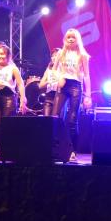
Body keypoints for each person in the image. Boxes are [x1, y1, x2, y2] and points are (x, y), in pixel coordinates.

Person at [52, 28, 92, 162]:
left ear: (77, 40)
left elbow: (86, 75)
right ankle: (56, 149)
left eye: (73, 37)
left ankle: (73, 150)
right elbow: (54, 70)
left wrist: (88, 95)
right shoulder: (61, 53)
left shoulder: (82, 55)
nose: (70, 39)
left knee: (72, 119)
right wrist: (59, 78)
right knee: (55, 116)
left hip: (75, 86)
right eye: (68, 37)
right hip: (63, 85)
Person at [38, 48, 62, 116]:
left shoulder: (63, 69)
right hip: (49, 96)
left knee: (55, 118)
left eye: (56, 56)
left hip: (59, 96)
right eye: (52, 56)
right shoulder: (49, 69)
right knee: (46, 118)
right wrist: (49, 81)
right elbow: (40, 85)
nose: (53, 58)